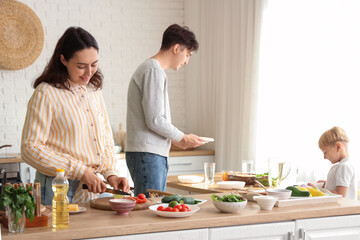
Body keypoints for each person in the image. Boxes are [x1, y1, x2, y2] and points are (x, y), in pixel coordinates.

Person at [21, 27, 129, 205]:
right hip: (59, 187)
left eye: (94, 64)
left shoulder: (93, 91)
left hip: (92, 187)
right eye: (81, 66)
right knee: (59, 233)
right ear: (63, 59)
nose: (89, 72)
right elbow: (30, 148)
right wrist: (82, 172)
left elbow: (105, 137)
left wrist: (111, 174)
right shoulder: (46, 93)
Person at [126, 24, 205, 197]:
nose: (186, 61)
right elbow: (155, 119)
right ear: (176, 48)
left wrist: (178, 142)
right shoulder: (153, 71)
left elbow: (152, 119)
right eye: (187, 54)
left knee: (151, 209)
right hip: (148, 155)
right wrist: (183, 137)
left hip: (148, 154)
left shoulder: (151, 70)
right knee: (151, 212)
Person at [308, 126, 358, 199]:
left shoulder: (343, 167)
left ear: (338, 147)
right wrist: (328, 184)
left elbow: (340, 195)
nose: (324, 157)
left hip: (343, 210)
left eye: (325, 152)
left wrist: (316, 190)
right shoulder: (344, 166)